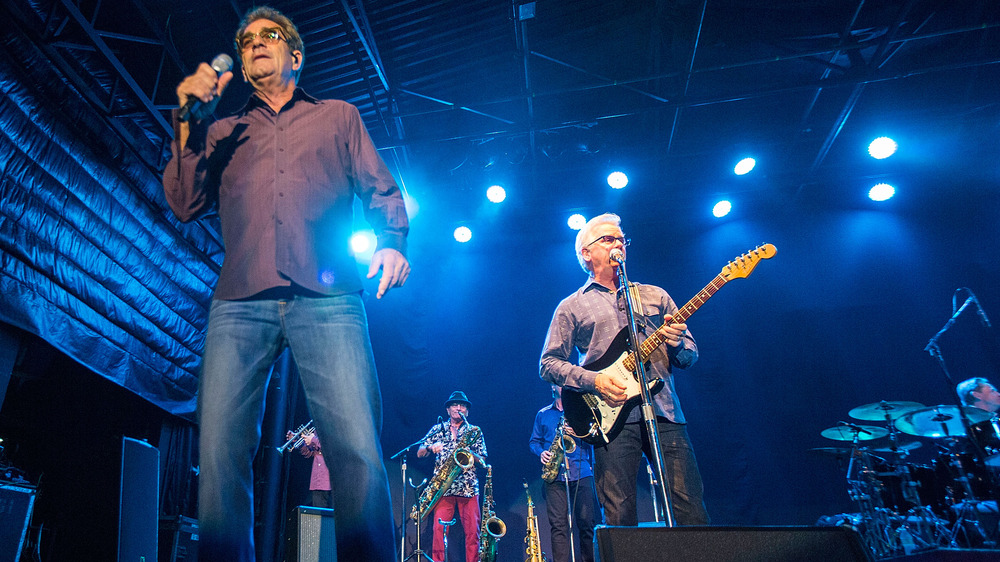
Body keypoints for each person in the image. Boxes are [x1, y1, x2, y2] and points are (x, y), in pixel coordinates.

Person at [161, 6, 409, 560]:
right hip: (239, 301)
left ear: (295, 56)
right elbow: (182, 202)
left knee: (355, 448)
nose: (254, 45)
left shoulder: (338, 117)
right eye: (245, 40)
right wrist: (186, 118)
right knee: (221, 450)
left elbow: (380, 188)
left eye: (268, 36)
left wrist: (392, 240)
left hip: (329, 299)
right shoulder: (224, 130)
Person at [539, 212, 709, 527]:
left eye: (621, 239)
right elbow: (548, 364)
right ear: (586, 254)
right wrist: (595, 380)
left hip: (664, 412)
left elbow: (688, 356)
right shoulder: (571, 306)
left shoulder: (655, 296)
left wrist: (675, 344)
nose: (618, 243)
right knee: (619, 515)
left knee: (690, 509)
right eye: (608, 239)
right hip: (610, 415)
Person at [528, 384, 600, 562]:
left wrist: (579, 432)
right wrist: (541, 452)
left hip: (581, 472)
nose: (562, 386)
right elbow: (534, 442)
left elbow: (595, 434)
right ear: (552, 387)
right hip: (555, 474)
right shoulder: (543, 414)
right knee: (558, 526)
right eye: (558, 383)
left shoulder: (580, 409)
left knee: (586, 523)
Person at [417, 391, 487, 562]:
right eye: (455, 405)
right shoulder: (438, 429)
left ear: (467, 411)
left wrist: (469, 453)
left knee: (473, 533)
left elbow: (483, 458)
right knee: (439, 532)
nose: (459, 408)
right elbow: (419, 452)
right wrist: (431, 447)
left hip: (468, 488)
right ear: (448, 409)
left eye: (462, 405)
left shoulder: (474, 431)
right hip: (444, 488)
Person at [287, 429, 333, 508]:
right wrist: (296, 440)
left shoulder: (335, 426)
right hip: (317, 481)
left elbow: (332, 448)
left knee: (332, 517)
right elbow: (309, 452)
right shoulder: (317, 429)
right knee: (318, 516)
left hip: (332, 480)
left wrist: (313, 439)